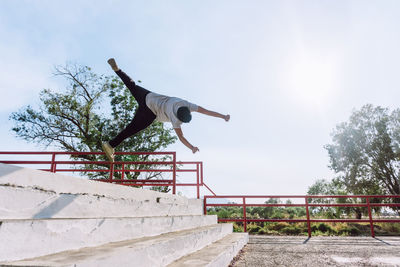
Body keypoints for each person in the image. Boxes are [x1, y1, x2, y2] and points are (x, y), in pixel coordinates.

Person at [102, 58, 230, 162]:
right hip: (150, 113)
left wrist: (223, 116)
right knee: (131, 129)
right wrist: (192, 147)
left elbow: (206, 111)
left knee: (132, 85)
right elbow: (182, 137)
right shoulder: (176, 120)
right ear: (181, 118)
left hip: (148, 96)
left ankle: (117, 70)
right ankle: (110, 145)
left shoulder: (185, 104)